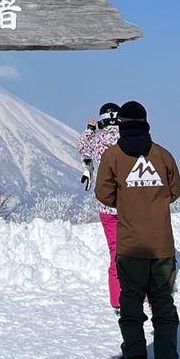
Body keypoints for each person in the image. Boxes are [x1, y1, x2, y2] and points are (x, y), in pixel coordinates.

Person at [95, 100, 180, 359]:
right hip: (161, 245)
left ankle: (135, 356)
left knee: (130, 301)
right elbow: (176, 190)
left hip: (130, 243)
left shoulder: (113, 156)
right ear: (146, 123)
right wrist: (153, 200)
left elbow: (103, 194)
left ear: (120, 125)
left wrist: (129, 199)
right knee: (163, 302)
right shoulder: (163, 155)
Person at [78, 103, 121, 311]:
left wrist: (89, 129)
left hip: (106, 206)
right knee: (136, 250)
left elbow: (82, 149)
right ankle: (140, 292)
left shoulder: (96, 140)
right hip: (130, 205)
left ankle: (117, 299)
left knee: (116, 251)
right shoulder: (127, 138)